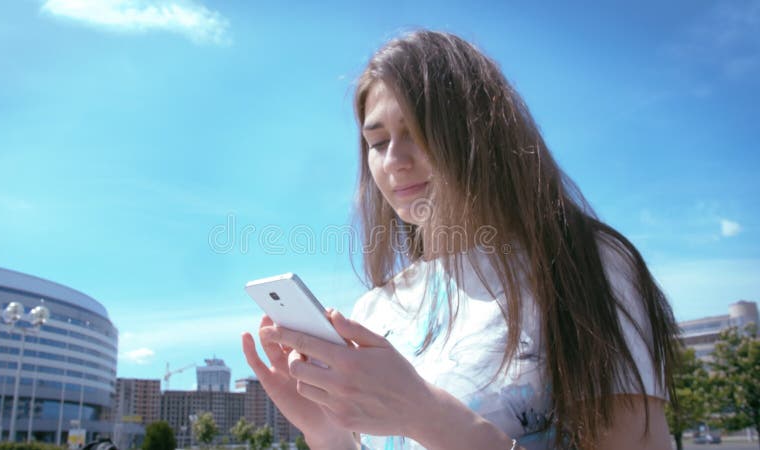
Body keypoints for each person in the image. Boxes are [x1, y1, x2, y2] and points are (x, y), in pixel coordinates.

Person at [241, 30, 679, 450]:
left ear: (480, 131)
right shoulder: (375, 308)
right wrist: (328, 434)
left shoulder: (586, 265)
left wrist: (425, 414)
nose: (394, 159)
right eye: (377, 141)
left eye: (416, 130)